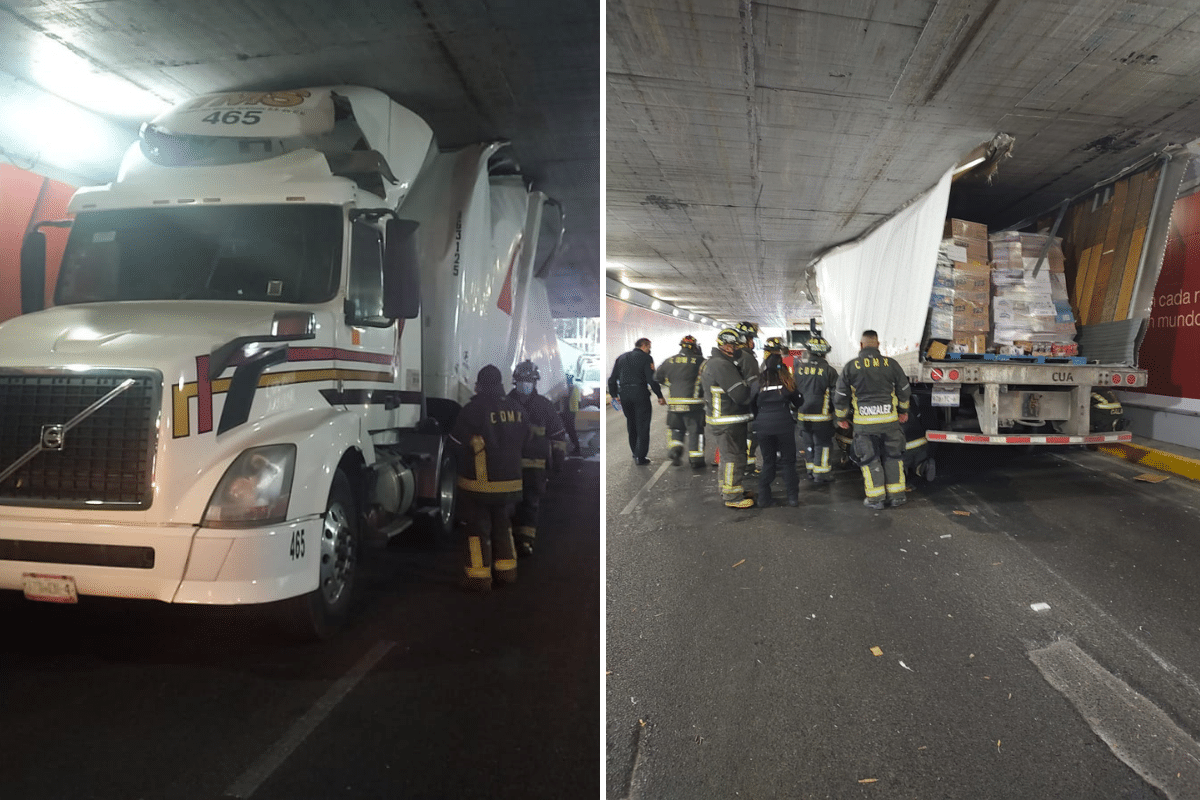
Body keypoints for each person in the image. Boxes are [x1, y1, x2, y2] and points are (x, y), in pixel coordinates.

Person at [449, 365, 529, 591]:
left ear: (480, 385)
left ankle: (479, 577)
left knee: (477, 529)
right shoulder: (517, 409)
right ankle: (507, 572)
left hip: (480, 484)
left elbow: (455, 444)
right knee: (503, 526)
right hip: (511, 483)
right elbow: (528, 440)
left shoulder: (473, 410)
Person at [834, 330, 912, 510]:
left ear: (861, 345)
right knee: (894, 457)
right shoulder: (891, 364)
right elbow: (904, 390)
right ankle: (897, 496)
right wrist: (903, 410)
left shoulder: (851, 367)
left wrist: (841, 417)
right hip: (890, 422)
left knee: (869, 459)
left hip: (864, 426)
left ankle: (876, 499)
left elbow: (840, 396)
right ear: (878, 344)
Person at [508, 360, 567, 557]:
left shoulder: (544, 406)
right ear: (515, 381)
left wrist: (558, 461)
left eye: (529, 380)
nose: (526, 384)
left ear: (535, 382)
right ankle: (510, 542)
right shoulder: (506, 404)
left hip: (532, 468)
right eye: (523, 380)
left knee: (530, 503)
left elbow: (558, 435)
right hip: (510, 467)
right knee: (510, 504)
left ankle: (525, 542)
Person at [700, 328, 755, 509]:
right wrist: (749, 386)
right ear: (723, 345)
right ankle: (733, 496)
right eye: (731, 345)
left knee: (727, 457)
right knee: (734, 457)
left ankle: (730, 488)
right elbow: (739, 394)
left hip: (725, 420)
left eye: (736, 345)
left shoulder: (718, 362)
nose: (734, 349)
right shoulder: (721, 365)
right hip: (727, 420)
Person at [750, 343, 802, 507]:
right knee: (788, 462)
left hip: (763, 427)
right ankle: (793, 498)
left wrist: (760, 418)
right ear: (782, 365)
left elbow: (751, 404)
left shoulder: (758, 382)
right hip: (784, 425)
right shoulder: (787, 381)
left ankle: (764, 498)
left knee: (768, 462)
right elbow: (799, 401)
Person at [608, 338, 666, 465]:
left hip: (624, 394)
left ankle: (635, 452)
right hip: (640, 393)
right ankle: (641, 457)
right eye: (649, 347)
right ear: (644, 346)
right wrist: (659, 395)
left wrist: (613, 395)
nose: (650, 349)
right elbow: (651, 379)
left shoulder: (621, 358)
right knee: (643, 425)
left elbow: (612, 379)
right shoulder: (646, 358)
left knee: (632, 423)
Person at [654, 334, 706, 467]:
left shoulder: (669, 361)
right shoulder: (701, 361)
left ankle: (675, 450)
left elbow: (657, 377)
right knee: (696, 431)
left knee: (676, 429)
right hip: (694, 405)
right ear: (694, 348)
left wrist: (670, 383)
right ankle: (696, 460)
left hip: (674, 405)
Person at [793, 334, 839, 485]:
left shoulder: (798, 369)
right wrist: (838, 416)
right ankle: (822, 474)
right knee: (823, 444)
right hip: (822, 417)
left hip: (803, 416)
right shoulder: (829, 371)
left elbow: (793, 391)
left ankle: (810, 471)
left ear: (809, 351)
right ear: (825, 353)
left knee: (808, 444)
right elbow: (836, 396)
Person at [735, 321, 761, 474]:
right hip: (747, 403)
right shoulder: (747, 357)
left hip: (735, 404)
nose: (753, 342)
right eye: (751, 339)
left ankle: (746, 466)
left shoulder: (734, 354)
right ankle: (747, 466)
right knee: (752, 434)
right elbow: (754, 383)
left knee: (742, 436)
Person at [561, 373, 583, 456]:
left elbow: (567, 400)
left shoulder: (569, 388)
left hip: (569, 411)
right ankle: (575, 447)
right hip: (572, 411)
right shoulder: (575, 387)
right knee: (570, 430)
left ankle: (576, 448)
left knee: (570, 430)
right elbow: (579, 401)